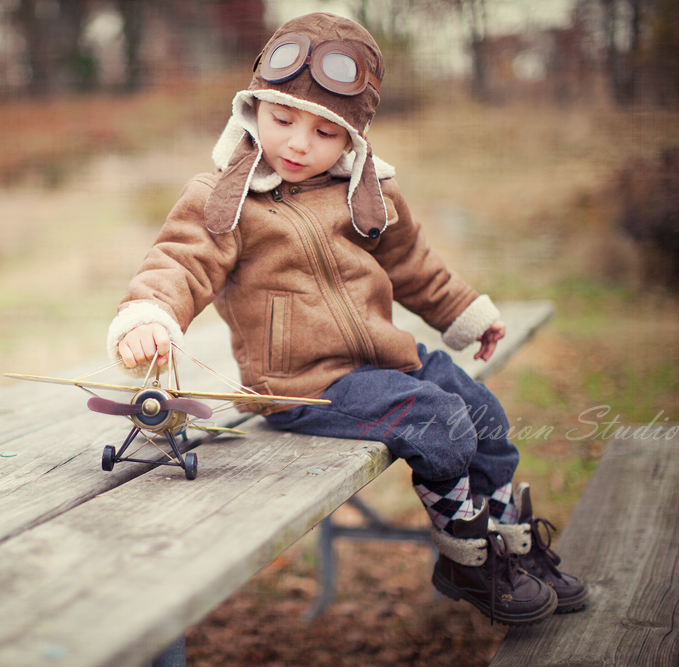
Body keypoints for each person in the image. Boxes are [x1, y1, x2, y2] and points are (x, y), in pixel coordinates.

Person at [106, 12, 586, 625]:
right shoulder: (223, 197)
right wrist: (149, 314)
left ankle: (507, 544)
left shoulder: (365, 193)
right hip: (304, 385)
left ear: (353, 141)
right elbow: (180, 261)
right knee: (438, 419)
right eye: (283, 120)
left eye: (325, 132)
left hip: (386, 359)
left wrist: (465, 312)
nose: (300, 144)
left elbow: (412, 264)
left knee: (485, 415)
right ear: (254, 111)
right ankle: (466, 556)